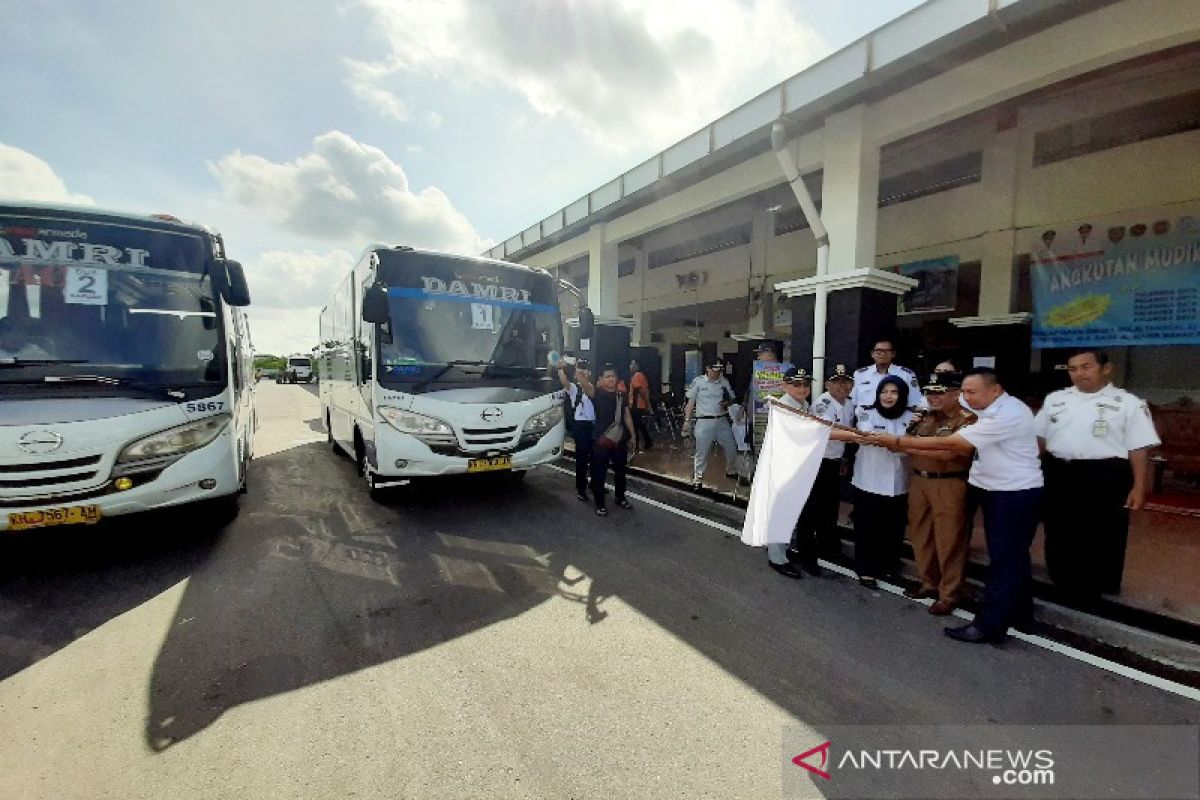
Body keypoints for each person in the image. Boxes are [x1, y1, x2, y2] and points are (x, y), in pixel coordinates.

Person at [869, 368, 1043, 644]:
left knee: (1002, 561)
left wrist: (898, 441)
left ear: (995, 389)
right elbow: (941, 399)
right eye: (962, 392)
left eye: (971, 392)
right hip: (993, 488)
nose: (965, 398)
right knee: (1014, 558)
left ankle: (989, 625)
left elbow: (954, 443)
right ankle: (1021, 614)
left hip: (1013, 493)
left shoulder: (1007, 414)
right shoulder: (983, 404)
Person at [1034, 349, 1160, 604]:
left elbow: (1138, 447)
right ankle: (1062, 581)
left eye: (1086, 367)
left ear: (1105, 368)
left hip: (1106, 475)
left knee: (1103, 531)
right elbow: (1039, 439)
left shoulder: (1127, 403)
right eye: (1073, 369)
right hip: (1060, 471)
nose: (1079, 374)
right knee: (1059, 528)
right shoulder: (1056, 399)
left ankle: (1098, 587)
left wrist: (1139, 486)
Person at [902, 372, 977, 615]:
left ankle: (949, 593)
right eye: (930, 392)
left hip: (949, 484)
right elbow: (906, 442)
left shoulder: (967, 420)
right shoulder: (923, 417)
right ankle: (928, 582)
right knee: (920, 534)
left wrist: (908, 445)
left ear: (957, 393)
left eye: (939, 392)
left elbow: (954, 453)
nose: (933, 397)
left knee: (949, 539)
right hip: (919, 481)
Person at [850, 376, 916, 588]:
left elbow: (913, 445)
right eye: (884, 391)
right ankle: (865, 569)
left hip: (899, 483)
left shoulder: (912, 417)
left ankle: (889, 567)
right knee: (867, 527)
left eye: (894, 392)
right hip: (869, 479)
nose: (888, 396)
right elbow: (870, 435)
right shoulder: (865, 412)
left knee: (893, 529)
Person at [791, 364, 857, 574]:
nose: (842, 386)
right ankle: (806, 557)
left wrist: (844, 459)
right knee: (810, 511)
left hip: (833, 462)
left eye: (846, 381)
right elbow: (825, 433)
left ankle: (828, 548)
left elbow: (841, 442)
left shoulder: (849, 403)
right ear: (828, 384)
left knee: (829, 509)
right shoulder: (823, 404)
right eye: (837, 382)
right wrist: (859, 436)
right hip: (816, 462)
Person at [578, 364, 636, 517]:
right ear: (601, 380)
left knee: (621, 471)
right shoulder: (596, 393)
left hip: (620, 438)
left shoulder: (621, 395)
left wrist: (633, 435)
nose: (611, 379)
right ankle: (600, 503)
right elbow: (583, 382)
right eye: (607, 376)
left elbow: (626, 415)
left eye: (613, 376)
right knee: (599, 473)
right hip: (601, 439)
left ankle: (620, 497)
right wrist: (578, 367)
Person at [683, 361, 739, 491]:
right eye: (715, 369)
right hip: (704, 421)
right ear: (708, 368)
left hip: (721, 421)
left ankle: (730, 470)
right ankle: (698, 477)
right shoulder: (698, 382)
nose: (717, 372)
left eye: (720, 369)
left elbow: (733, 398)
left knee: (731, 448)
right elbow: (690, 403)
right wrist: (687, 421)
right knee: (702, 452)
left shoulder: (724, 382)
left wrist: (727, 403)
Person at [556, 358, 597, 503]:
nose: (583, 371)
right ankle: (581, 489)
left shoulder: (592, 387)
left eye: (586, 369)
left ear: (590, 373)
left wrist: (577, 369)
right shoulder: (574, 388)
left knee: (595, 458)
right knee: (581, 459)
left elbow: (587, 387)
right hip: (580, 427)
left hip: (593, 426)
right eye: (581, 369)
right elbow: (565, 383)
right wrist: (560, 369)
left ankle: (595, 483)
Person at [850, 339, 926, 411]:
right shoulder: (860, 374)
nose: (882, 354)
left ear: (893, 354)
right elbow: (852, 402)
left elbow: (916, 402)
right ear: (872, 354)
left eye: (887, 351)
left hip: (897, 422)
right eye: (878, 351)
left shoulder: (906, 374)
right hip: (868, 422)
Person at [629, 359, 654, 453]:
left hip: (637, 405)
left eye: (632, 364)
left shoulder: (637, 375)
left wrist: (648, 404)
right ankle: (646, 441)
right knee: (639, 424)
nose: (630, 366)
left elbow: (642, 391)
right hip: (637, 405)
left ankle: (640, 443)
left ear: (637, 366)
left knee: (636, 425)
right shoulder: (637, 376)